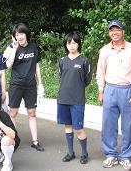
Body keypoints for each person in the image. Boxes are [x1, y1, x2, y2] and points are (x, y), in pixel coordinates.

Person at [96, 20, 131, 170]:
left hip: (128, 90)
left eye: (117, 30)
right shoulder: (104, 50)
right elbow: (100, 71)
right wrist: (101, 91)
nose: (114, 33)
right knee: (108, 124)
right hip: (110, 89)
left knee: (128, 125)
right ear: (109, 33)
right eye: (111, 30)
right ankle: (111, 155)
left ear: (123, 32)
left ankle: (126, 157)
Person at [5, 23, 45, 151]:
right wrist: (15, 49)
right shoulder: (11, 48)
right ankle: (14, 138)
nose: (19, 36)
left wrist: (41, 84)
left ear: (26, 34)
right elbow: (8, 65)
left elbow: (37, 66)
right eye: (16, 34)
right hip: (16, 85)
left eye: (21, 33)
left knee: (31, 112)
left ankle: (35, 141)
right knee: (13, 112)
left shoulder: (34, 47)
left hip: (30, 85)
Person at [57, 32, 92, 164]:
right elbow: (61, 77)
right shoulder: (62, 61)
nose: (71, 46)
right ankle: (70, 152)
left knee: (78, 128)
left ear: (78, 44)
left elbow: (87, 79)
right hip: (63, 99)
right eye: (68, 43)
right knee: (67, 126)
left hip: (77, 100)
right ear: (66, 45)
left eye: (74, 43)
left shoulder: (84, 61)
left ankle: (84, 153)